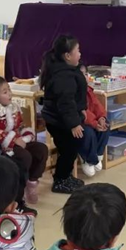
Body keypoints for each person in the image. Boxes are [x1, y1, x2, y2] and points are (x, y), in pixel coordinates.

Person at [0, 75, 49, 205]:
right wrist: (13, 140)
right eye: (5, 92)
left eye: (9, 90)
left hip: (19, 140)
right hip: (4, 147)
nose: (10, 94)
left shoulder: (14, 106)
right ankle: (19, 190)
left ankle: (32, 182)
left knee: (41, 149)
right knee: (24, 157)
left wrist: (27, 134)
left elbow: (20, 126)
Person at [41, 35, 86, 193]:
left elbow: (74, 98)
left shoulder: (67, 70)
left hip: (63, 119)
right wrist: (74, 123)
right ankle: (60, 180)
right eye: (77, 51)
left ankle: (65, 176)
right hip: (60, 121)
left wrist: (82, 110)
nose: (80, 54)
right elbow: (65, 102)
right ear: (67, 56)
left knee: (71, 149)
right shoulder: (63, 75)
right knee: (68, 150)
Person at [77, 63, 110, 178]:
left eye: (86, 74)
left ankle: (97, 154)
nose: (85, 77)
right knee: (88, 132)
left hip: (92, 121)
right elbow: (83, 111)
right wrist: (95, 123)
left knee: (106, 124)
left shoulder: (88, 90)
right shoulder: (73, 92)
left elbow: (97, 106)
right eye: (82, 74)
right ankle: (88, 159)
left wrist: (101, 118)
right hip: (79, 122)